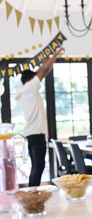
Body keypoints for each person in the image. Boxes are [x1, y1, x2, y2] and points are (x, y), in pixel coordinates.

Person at [15, 48, 65, 186]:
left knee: (36, 167)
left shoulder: (25, 91)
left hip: (33, 134)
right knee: (39, 166)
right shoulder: (30, 87)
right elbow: (42, 71)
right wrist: (55, 55)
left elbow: (39, 70)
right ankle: (32, 194)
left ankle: (32, 192)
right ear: (30, 79)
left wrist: (44, 62)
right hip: (37, 134)